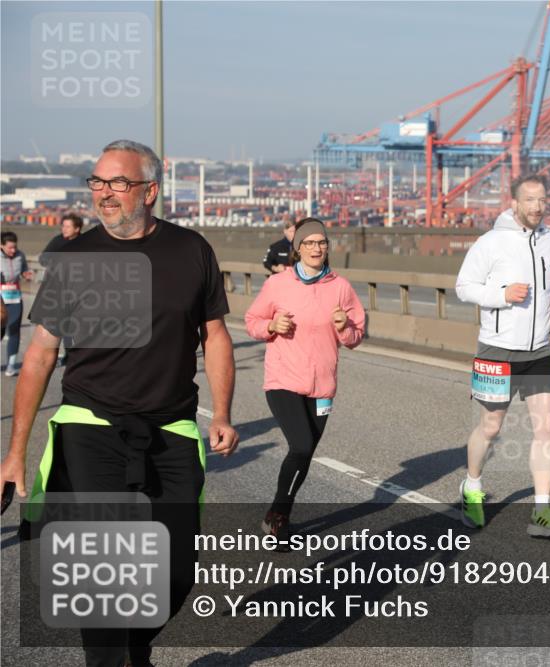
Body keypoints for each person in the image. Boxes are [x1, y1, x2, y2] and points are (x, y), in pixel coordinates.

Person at [0, 139, 239, 667]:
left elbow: (216, 334)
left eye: (119, 183)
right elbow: (40, 354)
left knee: (178, 570)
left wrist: (221, 413)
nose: (105, 194)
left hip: (172, 426)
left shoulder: (191, 250)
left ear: (150, 191)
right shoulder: (76, 257)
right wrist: (16, 451)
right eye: (98, 182)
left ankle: (135, 645)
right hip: (91, 424)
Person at [455, 173, 550, 538]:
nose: (538, 207)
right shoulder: (491, 242)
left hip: (539, 350)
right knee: (491, 426)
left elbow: (548, 278)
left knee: (546, 426)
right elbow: (464, 287)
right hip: (498, 349)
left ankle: (541, 510)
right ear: (515, 203)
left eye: (542, 200)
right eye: (530, 200)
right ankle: (472, 486)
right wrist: (502, 294)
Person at [245, 217, 365, 543]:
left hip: (322, 384)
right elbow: (253, 320)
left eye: (321, 243)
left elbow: (356, 336)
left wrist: (344, 326)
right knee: (301, 445)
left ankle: (276, 511)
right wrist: (271, 326)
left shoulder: (340, 287)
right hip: (283, 378)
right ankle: (280, 518)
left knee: (306, 453)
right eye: (309, 243)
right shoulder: (278, 284)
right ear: (297, 248)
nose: (316, 248)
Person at [41, 213, 85, 365]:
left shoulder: (86, 242)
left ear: (77, 228)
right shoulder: (58, 241)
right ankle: (66, 353)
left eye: (67, 226)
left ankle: (77, 353)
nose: (64, 229)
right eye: (63, 226)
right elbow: (43, 259)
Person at [1, 231, 34, 377]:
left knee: (14, 330)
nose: (13, 250)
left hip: (15, 297)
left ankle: (11, 365)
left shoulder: (20, 256)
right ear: (1, 246)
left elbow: (24, 271)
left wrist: (26, 274)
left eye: (15, 247)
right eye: (9, 248)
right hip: (0, 299)